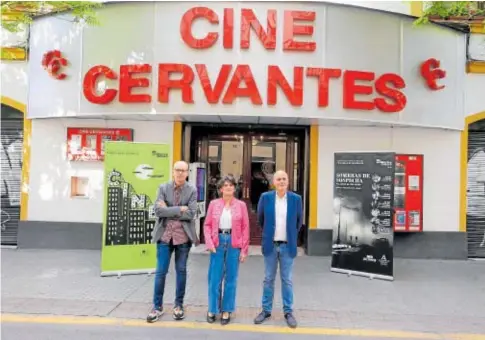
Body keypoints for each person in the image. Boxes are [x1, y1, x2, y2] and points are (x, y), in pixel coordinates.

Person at [147, 161, 198, 323]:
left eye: (183, 170)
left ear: (187, 173)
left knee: (181, 271)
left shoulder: (192, 190)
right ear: (173, 171)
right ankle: (157, 307)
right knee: (161, 272)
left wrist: (168, 210)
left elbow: (191, 214)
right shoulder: (163, 188)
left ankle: (178, 305)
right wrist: (179, 209)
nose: (180, 173)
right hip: (164, 236)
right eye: (177, 170)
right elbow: (158, 210)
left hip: (183, 237)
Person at [253, 170, 302, 329]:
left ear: (288, 182)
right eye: (278, 179)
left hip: (287, 246)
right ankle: (266, 310)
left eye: (284, 179)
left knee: (287, 280)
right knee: (268, 279)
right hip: (271, 245)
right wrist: (268, 234)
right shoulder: (265, 198)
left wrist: (291, 237)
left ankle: (288, 312)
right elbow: (260, 219)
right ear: (273, 182)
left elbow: (298, 222)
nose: (281, 182)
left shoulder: (296, 199)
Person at [204, 175, 250, 325]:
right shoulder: (213, 204)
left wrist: (244, 250)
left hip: (233, 242)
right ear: (220, 189)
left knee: (231, 279)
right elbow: (207, 225)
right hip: (217, 242)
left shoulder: (241, 205)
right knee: (214, 278)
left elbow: (245, 228)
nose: (229, 187)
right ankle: (212, 309)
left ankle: (226, 310)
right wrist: (209, 243)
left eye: (231, 185)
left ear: (234, 188)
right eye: (226, 185)